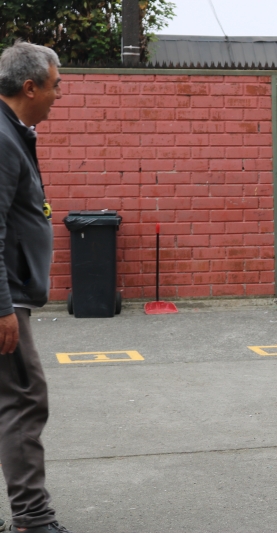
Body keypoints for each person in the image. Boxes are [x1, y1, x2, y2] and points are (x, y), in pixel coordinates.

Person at [0, 42, 73, 533]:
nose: (58, 95)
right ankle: (32, 518)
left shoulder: (11, 132)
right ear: (30, 87)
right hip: (7, 296)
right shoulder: (3, 139)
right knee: (25, 398)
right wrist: (2, 306)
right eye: (55, 86)